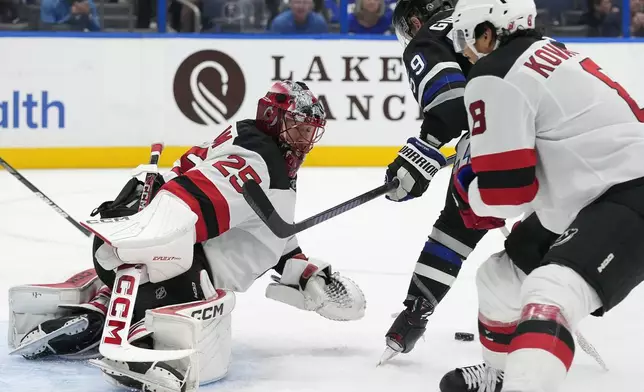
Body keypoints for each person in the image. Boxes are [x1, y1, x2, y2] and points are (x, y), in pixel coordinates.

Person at [8, 80, 366, 392]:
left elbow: (258, 222)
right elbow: (194, 204)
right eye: (298, 127)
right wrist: (138, 237)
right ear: (273, 118)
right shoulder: (262, 161)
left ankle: (106, 302)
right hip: (181, 267)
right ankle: (147, 336)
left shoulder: (246, 135)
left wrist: (301, 270)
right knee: (204, 301)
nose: (305, 139)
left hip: (154, 253)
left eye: (310, 130)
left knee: (164, 267)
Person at [440, 0, 644, 391]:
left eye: (468, 36)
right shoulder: (548, 50)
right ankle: (503, 376)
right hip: (593, 194)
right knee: (499, 280)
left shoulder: (495, 71)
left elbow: (507, 196)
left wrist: (471, 189)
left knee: (551, 290)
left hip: (628, 191)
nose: (464, 49)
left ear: (489, 32)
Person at [380, 0, 507, 364]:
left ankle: (415, 314)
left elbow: (451, 108)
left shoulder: (430, 36)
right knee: (548, 225)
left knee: (457, 225)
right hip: (567, 131)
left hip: (508, 135)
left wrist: (425, 148)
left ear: (416, 19)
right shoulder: (498, 20)